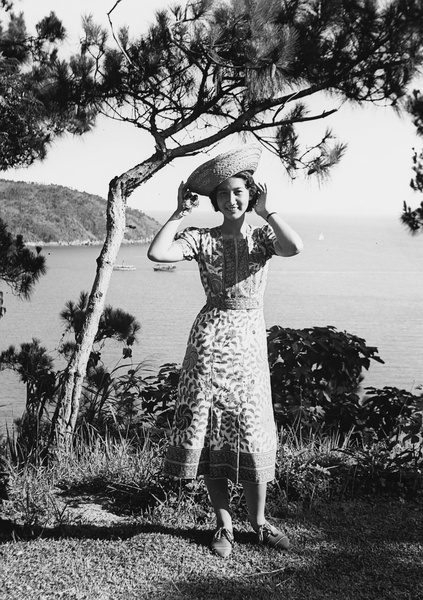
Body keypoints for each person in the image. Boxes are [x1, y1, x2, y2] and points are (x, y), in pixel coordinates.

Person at [147, 144, 303, 558]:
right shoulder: (201, 239)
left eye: (238, 191)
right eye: (222, 194)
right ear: (213, 201)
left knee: (251, 431)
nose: (231, 199)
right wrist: (178, 215)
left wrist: (269, 211)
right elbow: (158, 252)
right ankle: (224, 525)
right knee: (210, 430)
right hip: (209, 341)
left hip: (249, 342)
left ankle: (260, 522)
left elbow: (295, 247)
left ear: (250, 193)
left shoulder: (263, 237)